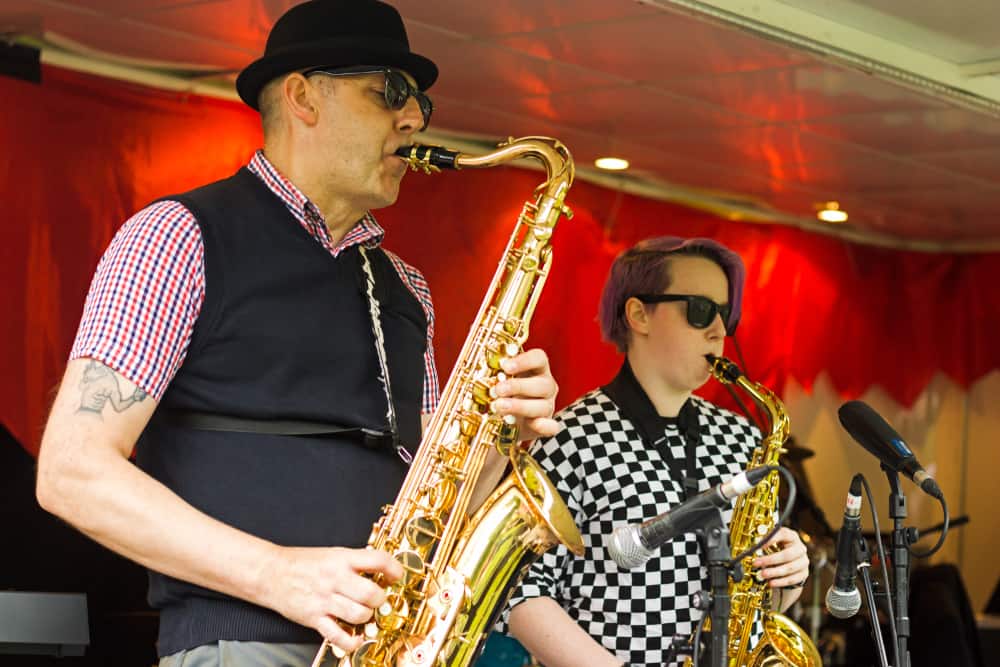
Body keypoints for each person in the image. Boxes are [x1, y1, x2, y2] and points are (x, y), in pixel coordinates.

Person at [34, 1, 560, 665]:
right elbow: (70, 471)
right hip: (243, 645)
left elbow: (437, 507)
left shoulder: (407, 288)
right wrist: (276, 572)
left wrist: (502, 435)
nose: (415, 118)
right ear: (304, 96)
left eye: (419, 101)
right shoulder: (177, 236)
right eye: (389, 93)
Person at [503, 237, 810, 667]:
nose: (719, 331)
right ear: (638, 314)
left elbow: (755, 603)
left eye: (726, 314)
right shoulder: (568, 436)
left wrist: (787, 576)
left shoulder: (742, 437)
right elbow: (519, 591)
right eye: (700, 310)